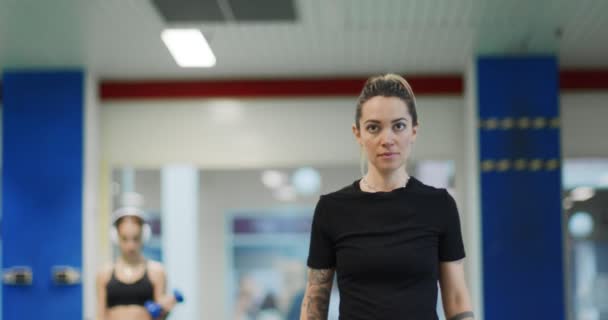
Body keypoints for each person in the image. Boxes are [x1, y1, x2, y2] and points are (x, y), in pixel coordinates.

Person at [300, 74, 474, 320]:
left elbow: (456, 296)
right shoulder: (332, 209)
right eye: (374, 127)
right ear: (358, 134)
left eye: (398, 126)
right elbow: (315, 300)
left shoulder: (439, 205)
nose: (387, 139)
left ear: (414, 131)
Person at [96, 207, 179, 320]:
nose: (131, 246)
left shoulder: (157, 272)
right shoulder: (104, 273)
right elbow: (101, 315)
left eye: (135, 239)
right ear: (116, 238)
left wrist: (165, 310)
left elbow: (160, 317)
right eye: (125, 239)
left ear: (143, 237)